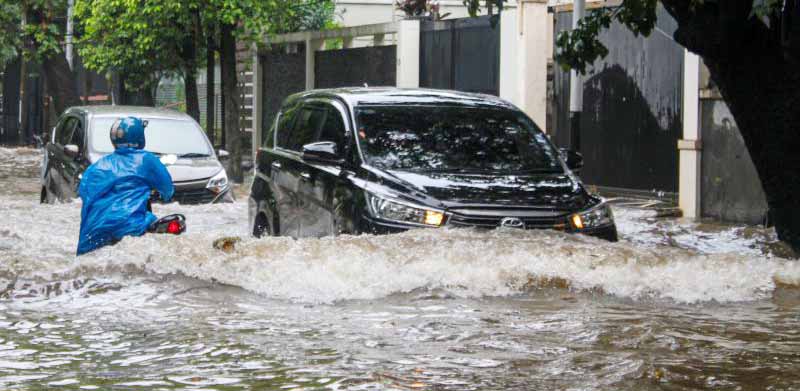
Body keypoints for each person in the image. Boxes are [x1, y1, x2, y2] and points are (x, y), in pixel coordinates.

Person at [77, 116, 174, 255]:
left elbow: (83, 193)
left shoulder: (96, 167)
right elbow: (168, 190)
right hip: (130, 227)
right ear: (140, 136)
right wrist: (164, 196)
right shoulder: (146, 159)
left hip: (93, 233)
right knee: (159, 223)